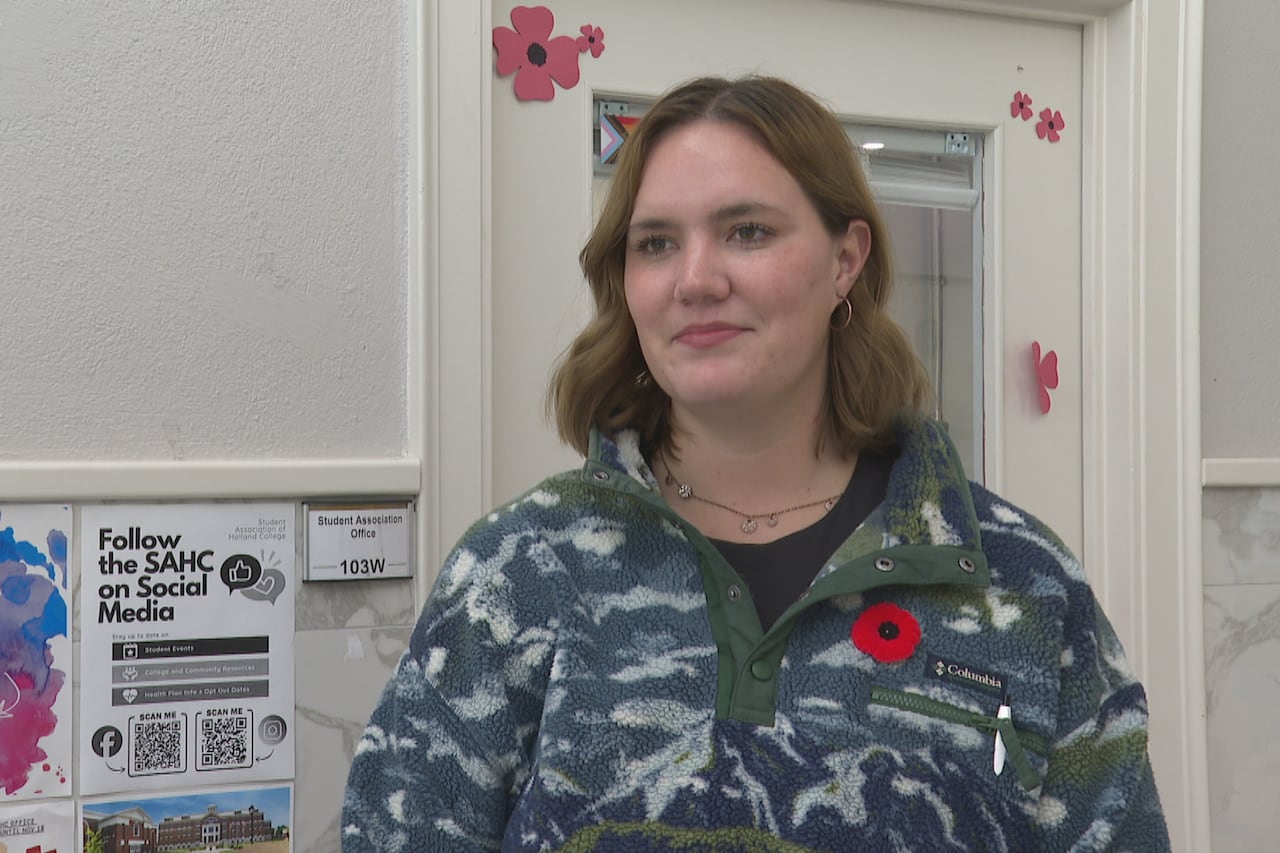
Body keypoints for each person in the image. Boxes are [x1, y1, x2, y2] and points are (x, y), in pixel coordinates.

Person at [342, 75, 1171, 851]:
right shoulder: (519, 570)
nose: (696, 280)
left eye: (747, 231)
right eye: (656, 243)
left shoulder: (1019, 583)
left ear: (845, 260)